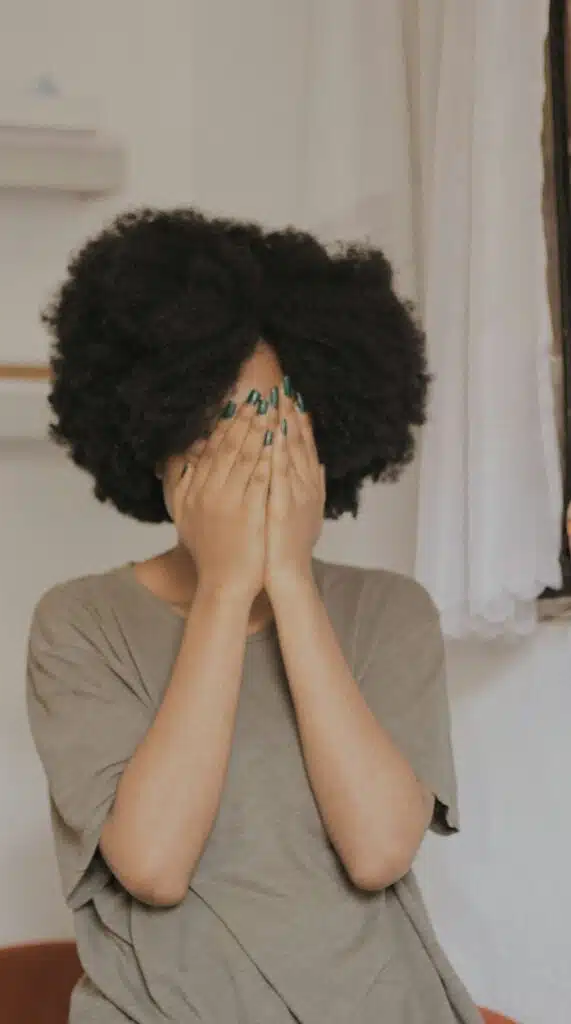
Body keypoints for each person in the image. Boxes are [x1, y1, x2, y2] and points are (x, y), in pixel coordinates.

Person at [26, 208, 483, 1022]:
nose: (248, 454)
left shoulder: (389, 612)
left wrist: (289, 582)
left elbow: (378, 851)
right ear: (156, 434)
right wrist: (226, 587)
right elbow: (153, 866)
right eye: (217, 423)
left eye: (275, 422)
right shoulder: (80, 622)